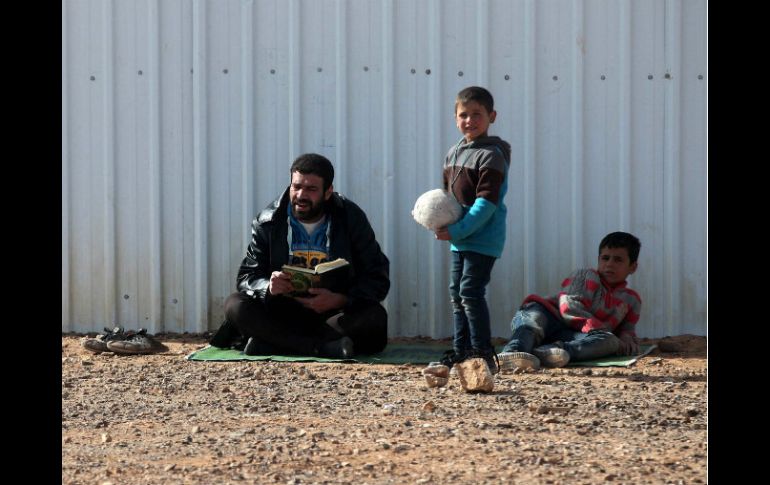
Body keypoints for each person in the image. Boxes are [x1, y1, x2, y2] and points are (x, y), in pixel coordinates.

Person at [209, 153, 390, 358]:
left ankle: (275, 344)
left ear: (328, 191)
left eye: (311, 189)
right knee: (236, 305)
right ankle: (321, 348)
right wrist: (268, 287)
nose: (301, 195)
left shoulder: (351, 218)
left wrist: (340, 300)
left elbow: (378, 275)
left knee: (374, 317)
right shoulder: (268, 220)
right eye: (297, 187)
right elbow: (246, 277)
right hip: (282, 314)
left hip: (331, 316)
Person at [434, 86, 511, 374]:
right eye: (463, 115)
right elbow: (447, 199)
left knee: (470, 291)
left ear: (491, 116)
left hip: (482, 238)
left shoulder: (492, 155)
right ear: (455, 118)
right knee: (457, 292)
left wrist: (459, 230)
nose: (470, 120)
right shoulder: (454, 152)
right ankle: (461, 351)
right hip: (460, 238)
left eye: (477, 114)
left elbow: (486, 204)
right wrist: (441, 222)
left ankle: (482, 352)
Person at [498, 231, 642, 370]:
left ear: (633, 267)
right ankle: (513, 353)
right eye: (605, 258)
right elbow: (570, 309)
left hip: (570, 337)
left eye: (618, 260)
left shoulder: (632, 300)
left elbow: (627, 329)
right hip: (549, 315)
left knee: (610, 341)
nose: (610, 264)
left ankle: (550, 352)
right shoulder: (586, 276)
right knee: (532, 322)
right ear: (598, 260)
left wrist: (626, 337)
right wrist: (600, 330)